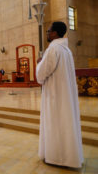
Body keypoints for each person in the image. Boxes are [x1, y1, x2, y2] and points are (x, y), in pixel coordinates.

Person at [36, 21, 83, 168]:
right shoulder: (67, 50)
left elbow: (42, 73)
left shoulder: (53, 49)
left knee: (55, 123)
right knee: (65, 123)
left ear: (55, 33)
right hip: (65, 96)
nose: (47, 33)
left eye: (49, 31)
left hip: (55, 96)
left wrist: (39, 63)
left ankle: (57, 157)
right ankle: (69, 157)